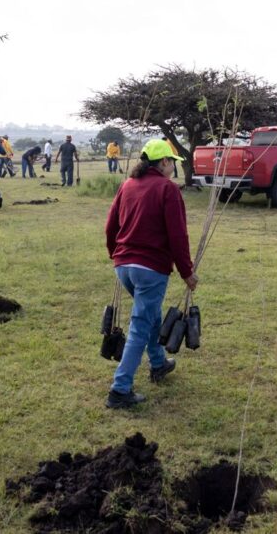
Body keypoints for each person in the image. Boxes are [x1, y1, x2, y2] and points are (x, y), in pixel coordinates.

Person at [103, 139, 198, 409]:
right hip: (150, 270)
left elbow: (111, 225)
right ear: (164, 162)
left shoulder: (127, 185)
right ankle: (120, 389)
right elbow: (178, 236)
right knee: (140, 327)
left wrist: (116, 255)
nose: (174, 168)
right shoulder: (167, 190)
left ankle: (158, 364)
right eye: (172, 163)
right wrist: (187, 273)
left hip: (124, 267)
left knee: (150, 314)